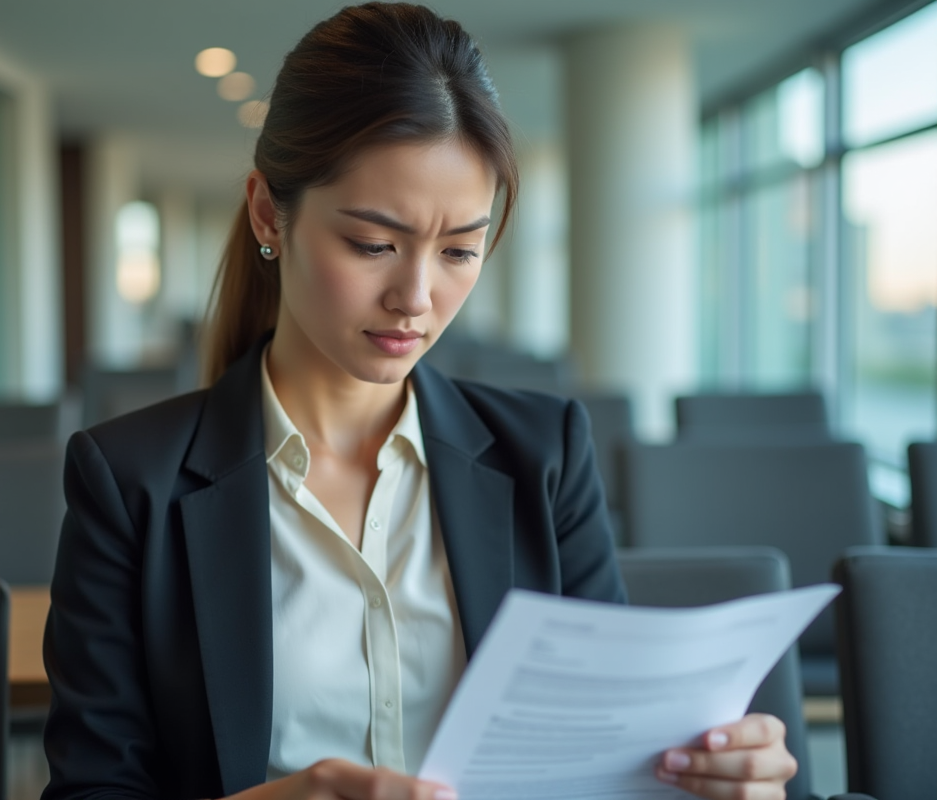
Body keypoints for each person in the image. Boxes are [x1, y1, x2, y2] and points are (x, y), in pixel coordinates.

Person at [41, 4, 798, 799]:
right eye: (374, 245)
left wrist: (708, 773)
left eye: (461, 250)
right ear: (270, 212)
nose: (417, 297)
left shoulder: (545, 454)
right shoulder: (130, 483)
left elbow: (604, 755)